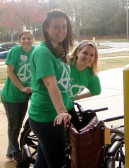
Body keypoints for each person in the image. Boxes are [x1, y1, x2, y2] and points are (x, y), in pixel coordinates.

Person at [28, 9, 74, 167]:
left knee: (42, 162)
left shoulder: (57, 49)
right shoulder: (43, 52)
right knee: (56, 163)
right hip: (48, 118)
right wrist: (62, 111)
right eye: (56, 27)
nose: (61, 31)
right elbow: (50, 84)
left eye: (64, 26)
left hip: (51, 117)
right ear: (46, 28)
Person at [1, 30, 34, 163]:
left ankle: (10, 151)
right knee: (14, 126)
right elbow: (10, 72)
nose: (26, 41)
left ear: (33, 39)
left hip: (24, 96)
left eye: (29, 38)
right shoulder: (15, 51)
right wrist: (21, 87)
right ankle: (15, 151)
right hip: (11, 96)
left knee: (18, 125)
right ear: (19, 40)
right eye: (23, 38)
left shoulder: (36, 51)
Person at [67, 40, 101, 130]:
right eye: (85, 53)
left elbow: (96, 91)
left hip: (68, 106)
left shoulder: (91, 75)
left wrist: (76, 97)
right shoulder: (65, 64)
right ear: (78, 52)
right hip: (52, 106)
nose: (87, 57)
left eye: (92, 55)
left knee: (77, 133)